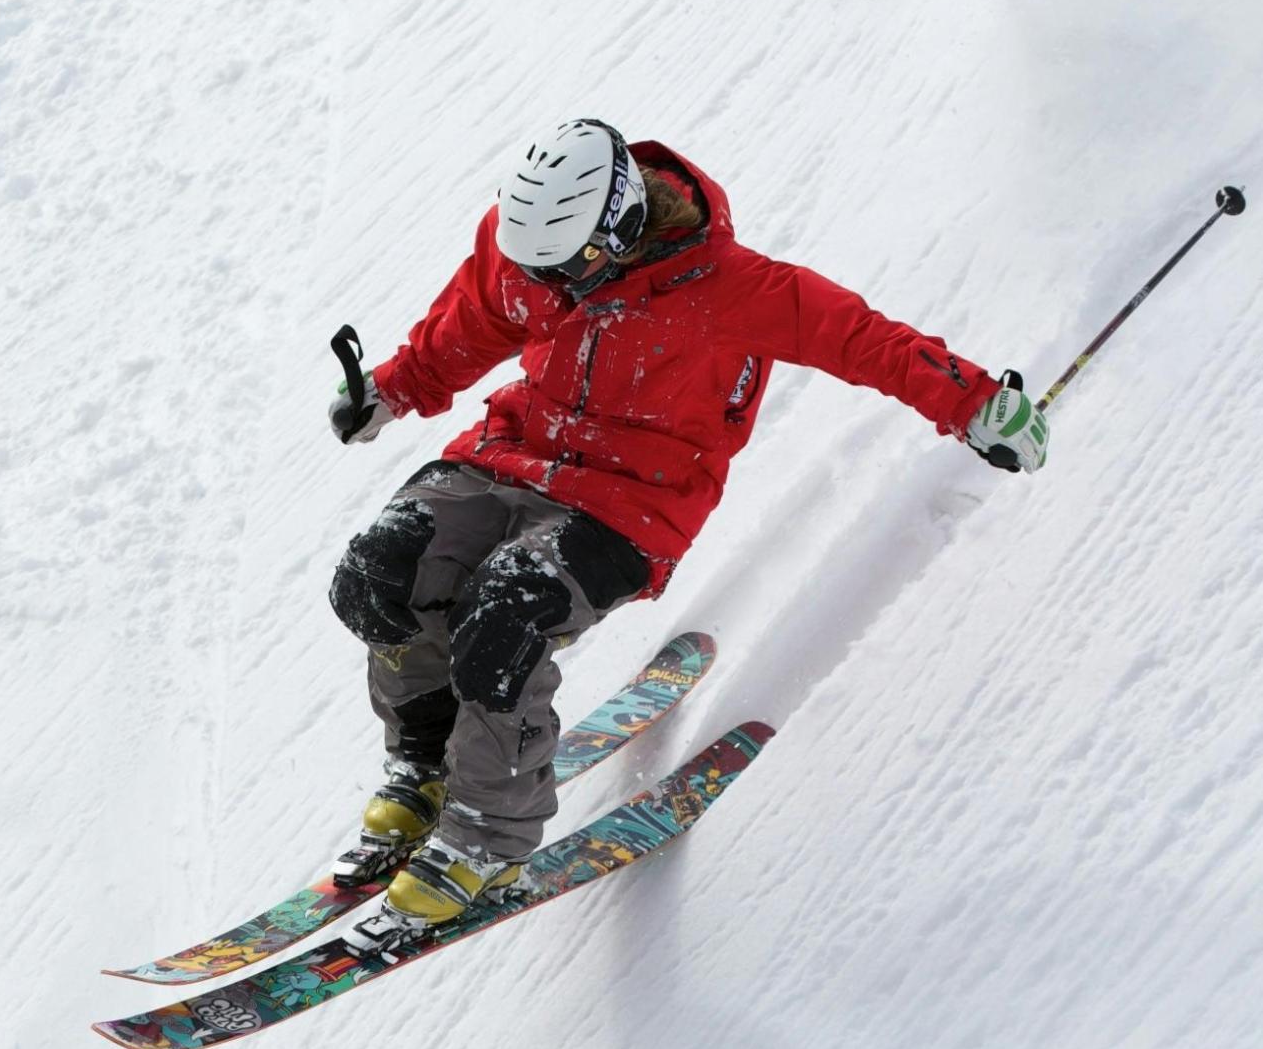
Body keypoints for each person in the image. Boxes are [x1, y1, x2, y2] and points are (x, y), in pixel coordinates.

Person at [325, 118, 1047, 954]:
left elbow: (866, 342)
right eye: (536, 267)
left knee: (502, 616)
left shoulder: (737, 290)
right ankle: (425, 764)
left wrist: (975, 403)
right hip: (512, 455)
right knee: (377, 574)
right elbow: (479, 315)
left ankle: (486, 833)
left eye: (564, 268)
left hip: (630, 502)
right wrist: (394, 388)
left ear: (622, 222)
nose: (548, 284)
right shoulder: (530, 247)